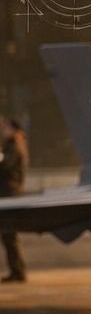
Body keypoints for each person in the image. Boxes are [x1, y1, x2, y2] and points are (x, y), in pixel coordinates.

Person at [0, 116, 26, 283]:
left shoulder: (14, 147)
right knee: (8, 236)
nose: (4, 130)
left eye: (6, 127)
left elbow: (6, 167)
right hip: (8, 192)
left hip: (10, 193)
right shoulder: (11, 146)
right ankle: (16, 271)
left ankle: (18, 272)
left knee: (9, 235)